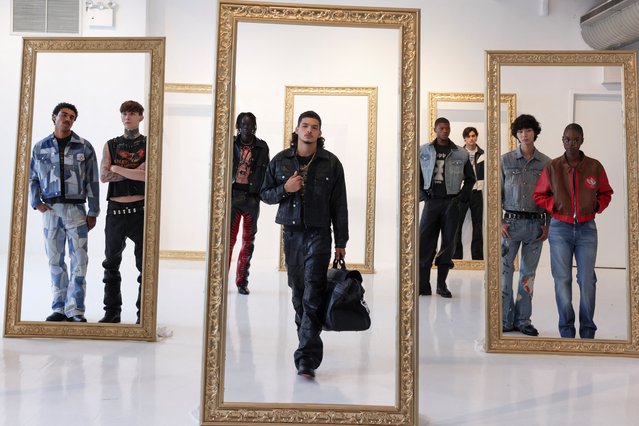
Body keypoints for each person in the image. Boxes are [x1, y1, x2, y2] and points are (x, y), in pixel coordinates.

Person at [260, 111, 348, 379]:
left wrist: (341, 242)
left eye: (315, 127)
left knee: (313, 293)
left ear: (320, 133)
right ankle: (306, 337)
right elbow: (264, 194)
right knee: (298, 292)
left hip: (320, 235)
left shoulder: (331, 163)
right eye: (305, 126)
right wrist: (285, 188)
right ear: (297, 130)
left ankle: (306, 358)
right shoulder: (280, 161)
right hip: (292, 235)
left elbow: (339, 205)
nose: (309, 131)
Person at [533, 123, 613, 339]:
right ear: (562, 140)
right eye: (567, 139)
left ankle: (587, 331)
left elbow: (606, 192)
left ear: (582, 140)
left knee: (587, 279)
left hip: (587, 229)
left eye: (576, 139)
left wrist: (596, 206)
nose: (571, 143)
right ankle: (567, 331)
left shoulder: (594, 166)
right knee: (562, 279)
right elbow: (539, 195)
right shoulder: (553, 167)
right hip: (560, 229)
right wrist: (554, 206)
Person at [29, 102, 100, 322]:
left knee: (79, 259)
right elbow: (32, 177)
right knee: (54, 259)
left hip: (77, 211)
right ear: (54, 117)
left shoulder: (84, 147)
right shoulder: (40, 147)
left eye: (72, 116)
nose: (68, 119)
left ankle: (76, 309)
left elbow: (93, 180)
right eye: (64, 115)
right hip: (51, 211)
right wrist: (36, 202)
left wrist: (93, 211)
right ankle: (59, 307)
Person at [501, 114, 550, 336]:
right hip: (509, 226)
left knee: (528, 274)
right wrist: (498, 221)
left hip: (535, 226)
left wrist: (547, 224)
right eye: (520, 131)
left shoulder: (546, 163)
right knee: (504, 272)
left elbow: (551, 196)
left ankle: (523, 320)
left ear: (535, 133)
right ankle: (504, 319)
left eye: (528, 130)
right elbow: (495, 195)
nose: (524, 134)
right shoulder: (505, 161)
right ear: (516, 134)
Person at [99, 100, 147, 324]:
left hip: (140, 210)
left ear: (141, 117)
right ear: (121, 117)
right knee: (111, 263)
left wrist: (117, 168)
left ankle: (143, 315)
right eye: (124, 113)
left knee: (145, 265)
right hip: (115, 210)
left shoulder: (149, 144)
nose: (128, 117)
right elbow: (104, 176)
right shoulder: (111, 144)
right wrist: (133, 171)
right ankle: (111, 313)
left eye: (133, 113)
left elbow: (150, 176)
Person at [419, 117, 475, 298]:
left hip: (451, 203)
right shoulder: (424, 151)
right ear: (435, 129)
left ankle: (441, 285)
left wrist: (461, 197)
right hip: (432, 202)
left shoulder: (460, 153)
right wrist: (423, 195)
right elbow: (415, 174)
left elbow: (470, 179)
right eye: (442, 128)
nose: (445, 131)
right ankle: (423, 285)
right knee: (425, 243)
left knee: (449, 243)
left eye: (447, 128)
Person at [229, 112, 270, 295]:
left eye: (250, 124)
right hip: (232, 196)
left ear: (255, 126)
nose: (247, 127)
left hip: (252, 198)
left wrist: (263, 193)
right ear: (238, 126)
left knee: (248, 241)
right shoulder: (230, 143)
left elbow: (267, 172)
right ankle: (220, 279)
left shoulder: (262, 147)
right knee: (228, 241)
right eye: (243, 124)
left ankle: (242, 281)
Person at [453, 126, 484, 260]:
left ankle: (478, 259)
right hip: (463, 192)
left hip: (477, 192)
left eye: (473, 136)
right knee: (457, 225)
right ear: (465, 138)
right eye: (469, 136)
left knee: (478, 225)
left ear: (476, 137)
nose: (471, 138)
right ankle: (456, 258)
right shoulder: (459, 153)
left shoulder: (483, 154)